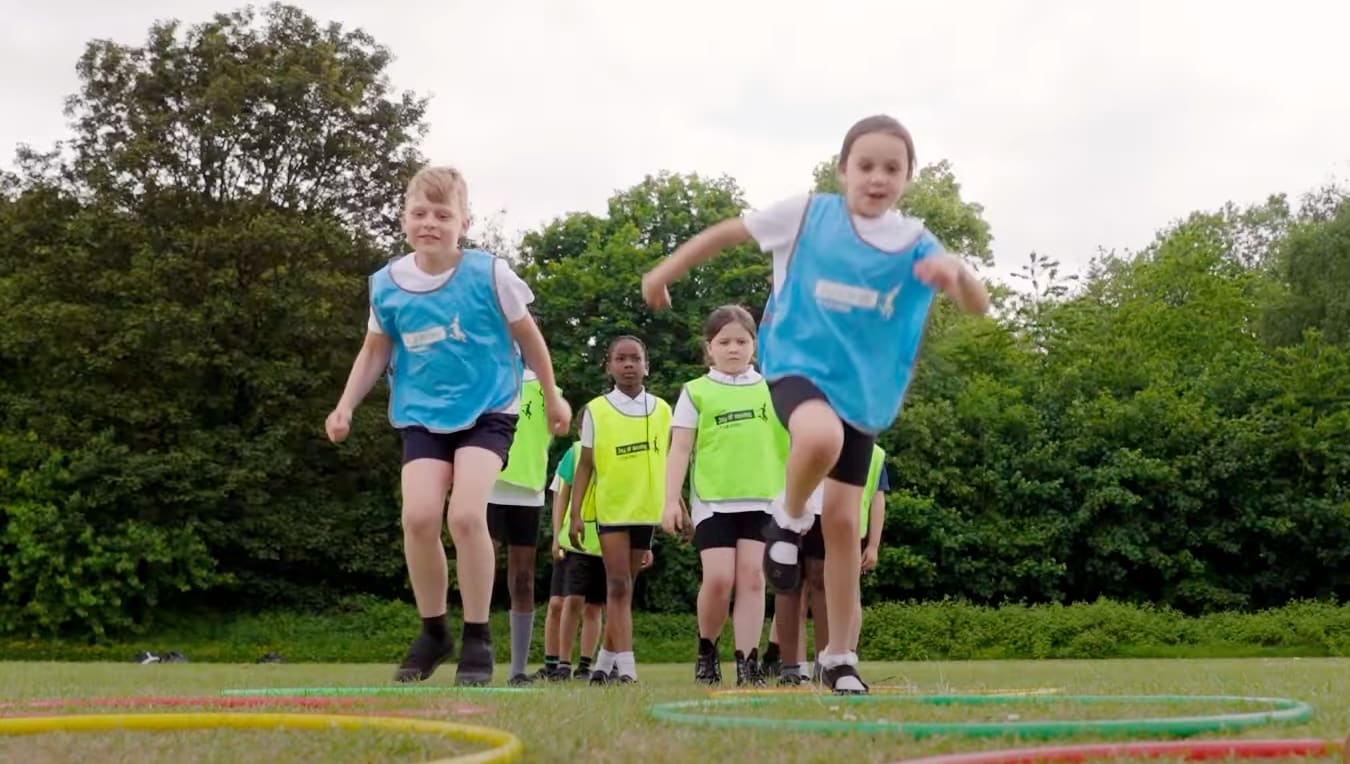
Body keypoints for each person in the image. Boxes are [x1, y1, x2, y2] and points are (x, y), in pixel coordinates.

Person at [641, 115, 989, 694]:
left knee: (846, 525)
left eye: (892, 169)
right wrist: (666, 270)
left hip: (861, 391)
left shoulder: (913, 241)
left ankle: (840, 657)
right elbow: (727, 233)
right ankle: (791, 510)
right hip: (796, 367)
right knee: (819, 438)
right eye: (866, 166)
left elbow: (976, 305)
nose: (877, 178)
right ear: (843, 169)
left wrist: (955, 272)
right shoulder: (806, 215)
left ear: (908, 176)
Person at [326, 165, 571, 686]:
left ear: (464, 221)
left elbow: (530, 338)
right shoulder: (387, 287)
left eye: (442, 214)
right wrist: (345, 404)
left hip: (488, 408)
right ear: (403, 220)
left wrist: (552, 395)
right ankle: (435, 632)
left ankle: (479, 636)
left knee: (464, 515)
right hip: (422, 413)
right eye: (419, 213)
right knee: (417, 517)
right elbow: (375, 350)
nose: (430, 223)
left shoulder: (489, 274)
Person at [663, 305, 786, 686]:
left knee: (752, 580)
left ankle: (747, 664)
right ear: (709, 348)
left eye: (742, 341)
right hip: (713, 501)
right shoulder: (695, 392)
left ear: (754, 346)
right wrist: (669, 501)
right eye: (724, 342)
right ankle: (707, 648)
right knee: (718, 580)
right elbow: (680, 448)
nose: (733, 348)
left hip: (763, 498)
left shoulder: (774, 388)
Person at [569, 336, 671, 684]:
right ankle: (627, 669)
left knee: (625, 590)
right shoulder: (596, 410)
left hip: (647, 510)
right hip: (611, 511)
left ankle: (603, 663)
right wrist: (575, 513)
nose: (629, 365)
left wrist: (679, 506)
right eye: (621, 359)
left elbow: (669, 462)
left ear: (647, 365)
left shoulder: (662, 409)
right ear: (609, 366)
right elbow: (584, 465)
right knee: (616, 585)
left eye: (636, 358)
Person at [486, 360, 560, 685]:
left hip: (528, 491)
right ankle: (478, 661)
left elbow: (561, 423)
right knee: (481, 575)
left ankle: (517, 670)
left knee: (523, 580)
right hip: (488, 486)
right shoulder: (490, 377)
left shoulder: (548, 388)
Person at [545, 440, 606, 680]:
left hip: (607, 542)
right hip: (578, 541)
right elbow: (562, 493)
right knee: (569, 601)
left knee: (594, 607)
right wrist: (558, 532)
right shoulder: (577, 451)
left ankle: (585, 665)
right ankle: (562, 663)